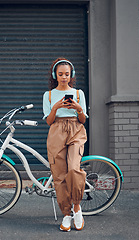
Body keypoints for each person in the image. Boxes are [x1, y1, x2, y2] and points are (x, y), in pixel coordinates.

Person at [42, 58, 88, 232]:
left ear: (72, 75)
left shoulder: (78, 94)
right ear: (55, 75)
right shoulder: (49, 95)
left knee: (73, 169)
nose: (63, 77)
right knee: (59, 175)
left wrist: (78, 108)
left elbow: (83, 120)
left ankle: (77, 207)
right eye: (60, 74)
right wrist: (55, 108)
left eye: (67, 74)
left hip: (76, 129)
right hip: (56, 130)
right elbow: (49, 121)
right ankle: (66, 214)